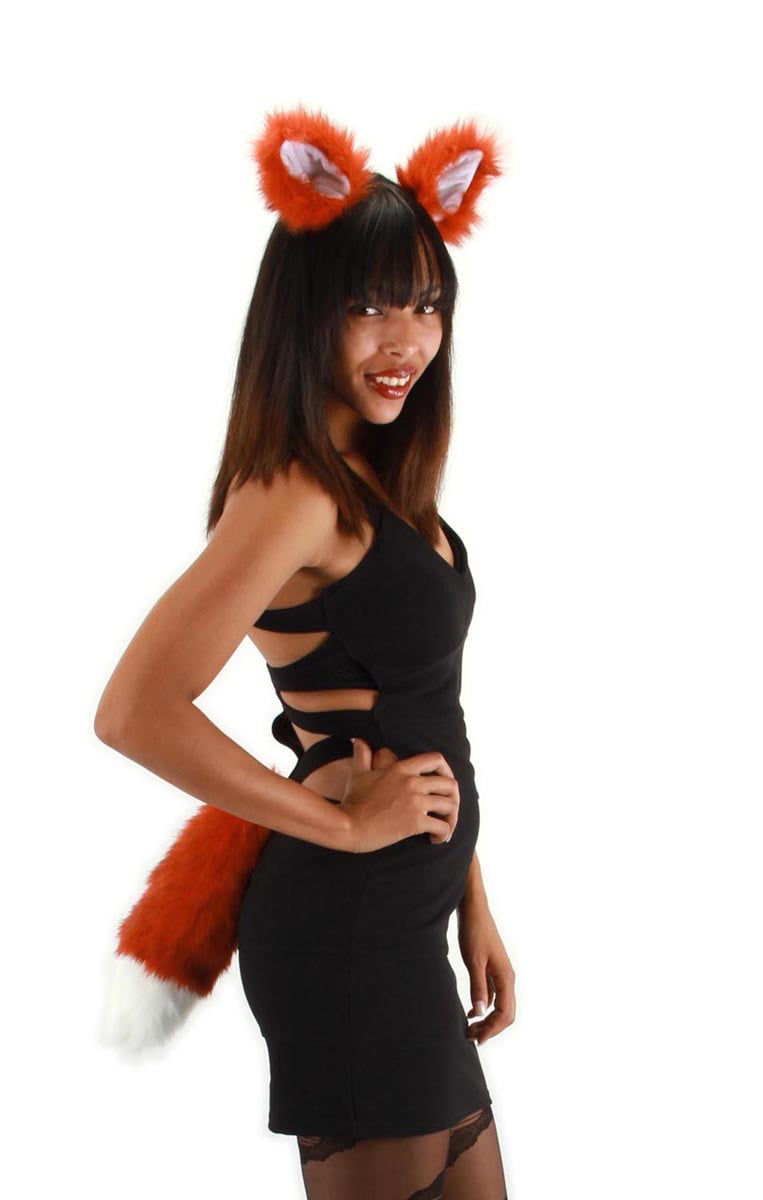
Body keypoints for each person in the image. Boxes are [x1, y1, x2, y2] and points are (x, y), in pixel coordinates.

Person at [95, 105, 517, 1199]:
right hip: (348, 934)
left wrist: (470, 899)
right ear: (304, 314)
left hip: (408, 923)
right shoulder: (292, 493)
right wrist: (341, 823)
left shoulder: (381, 477)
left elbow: (416, 710)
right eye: (368, 306)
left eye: (425, 305)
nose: (404, 340)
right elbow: (134, 709)